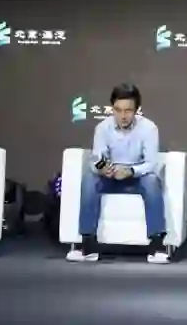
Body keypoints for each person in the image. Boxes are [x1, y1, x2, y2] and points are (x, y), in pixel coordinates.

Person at [66, 83, 169, 264]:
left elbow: (151, 163)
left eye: (128, 111)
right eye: (118, 110)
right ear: (112, 108)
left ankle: (157, 245)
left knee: (152, 181)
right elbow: (97, 158)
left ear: (136, 110)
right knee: (90, 179)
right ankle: (87, 244)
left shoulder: (149, 128)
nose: (123, 116)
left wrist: (130, 171)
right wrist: (103, 168)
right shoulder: (102, 128)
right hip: (110, 177)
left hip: (136, 178)